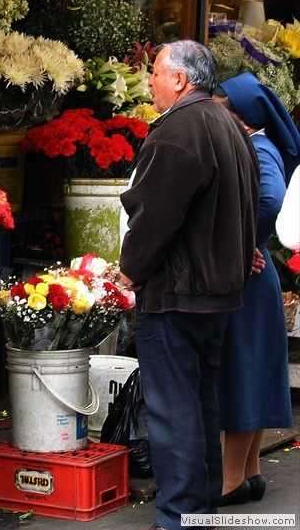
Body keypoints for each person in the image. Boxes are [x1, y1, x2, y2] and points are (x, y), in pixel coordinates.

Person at [119, 41, 260, 530]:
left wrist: (130, 268)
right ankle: (199, 510)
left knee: (175, 409)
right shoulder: (228, 125)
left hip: (178, 292)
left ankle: (181, 515)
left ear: (180, 80)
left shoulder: (179, 129)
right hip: (217, 293)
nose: (151, 82)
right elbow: (249, 201)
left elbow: (156, 217)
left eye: (156, 73)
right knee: (200, 403)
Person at [214, 72, 299, 506]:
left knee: (242, 374)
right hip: (256, 278)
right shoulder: (258, 144)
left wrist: (244, 240)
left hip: (247, 277)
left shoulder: (256, 147)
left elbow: (270, 199)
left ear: (241, 116)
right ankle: (249, 473)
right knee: (256, 372)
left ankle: (229, 482)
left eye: (220, 106)